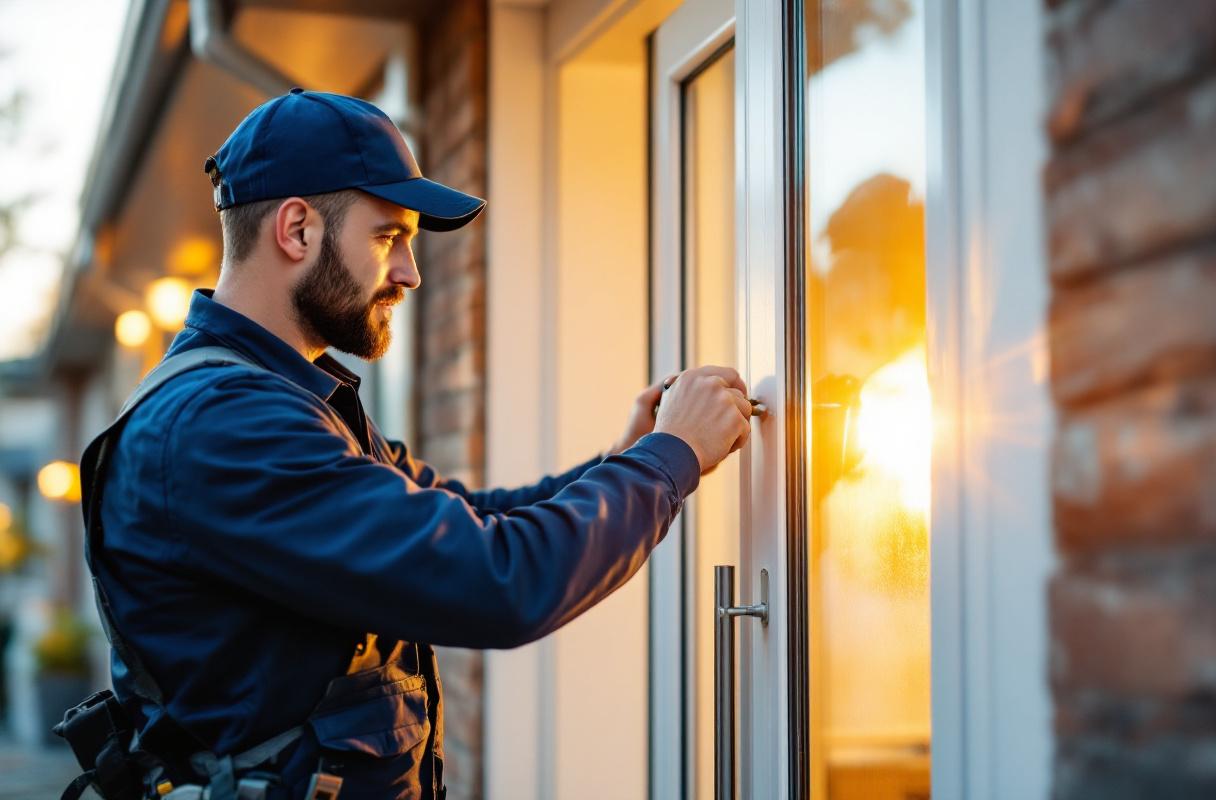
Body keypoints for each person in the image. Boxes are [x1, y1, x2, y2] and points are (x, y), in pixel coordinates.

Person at [58, 90, 753, 799]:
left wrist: (627, 458)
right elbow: (497, 579)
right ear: (296, 230)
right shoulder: (227, 427)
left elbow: (472, 517)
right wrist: (670, 459)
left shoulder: (289, 402)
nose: (410, 272)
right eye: (388, 236)